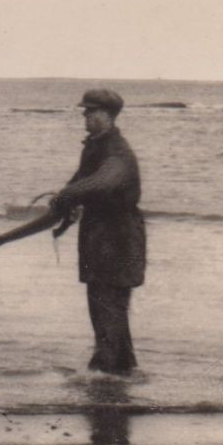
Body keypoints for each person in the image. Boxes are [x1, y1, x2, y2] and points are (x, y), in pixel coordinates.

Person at [50, 88, 146, 374]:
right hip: (99, 238)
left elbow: (102, 182)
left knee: (108, 306)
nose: (85, 115)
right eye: (86, 110)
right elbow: (80, 183)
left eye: (91, 111)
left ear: (108, 116)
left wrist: (66, 195)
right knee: (105, 305)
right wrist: (62, 210)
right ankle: (123, 370)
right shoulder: (94, 146)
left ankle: (105, 375)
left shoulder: (118, 153)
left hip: (118, 239)